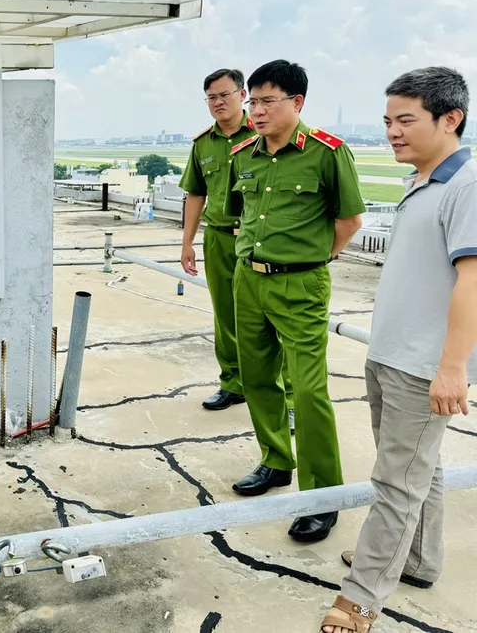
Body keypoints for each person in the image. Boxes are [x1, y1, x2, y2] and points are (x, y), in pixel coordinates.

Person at [321, 67, 477, 633]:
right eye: (388, 120)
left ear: (450, 118)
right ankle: (415, 558)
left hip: (422, 364)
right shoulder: (421, 181)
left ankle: (361, 598)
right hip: (391, 353)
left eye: (406, 120)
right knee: (418, 470)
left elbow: (473, 281)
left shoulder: (467, 185)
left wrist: (453, 367)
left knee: (396, 483)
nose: (392, 131)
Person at [225, 59, 365, 542]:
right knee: (259, 377)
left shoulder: (327, 152)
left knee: (307, 391)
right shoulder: (242, 153)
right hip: (249, 280)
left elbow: (349, 223)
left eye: (267, 102)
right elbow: (237, 216)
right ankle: (275, 460)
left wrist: (306, 261)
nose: (257, 111)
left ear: (297, 102)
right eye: (253, 102)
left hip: (301, 285)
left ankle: (323, 497)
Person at [180, 69, 294, 428]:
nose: (218, 102)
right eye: (211, 97)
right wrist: (187, 242)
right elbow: (195, 193)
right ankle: (233, 383)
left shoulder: (263, 134)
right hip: (218, 237)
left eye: (224, 95)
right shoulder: (203, 144)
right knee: (225, 315)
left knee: (274, 320)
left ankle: (289, 397)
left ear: (242, 95)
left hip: (260, 242)